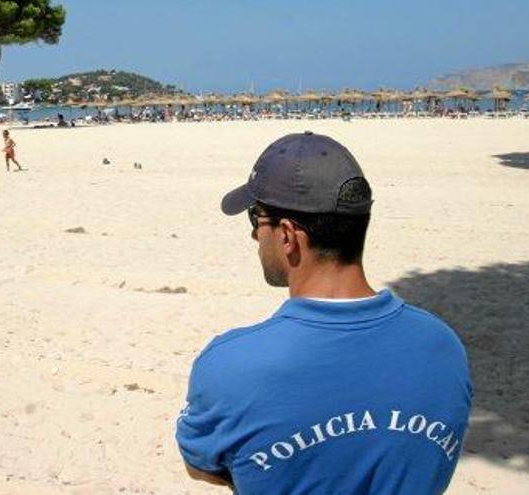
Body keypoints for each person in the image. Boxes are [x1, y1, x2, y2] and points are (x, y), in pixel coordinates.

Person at [176, 132, 472, 495]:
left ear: (287, 236)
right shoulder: (443, 347)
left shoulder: (230, 365)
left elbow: (201, 466)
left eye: (256, 218)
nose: (255, 235)